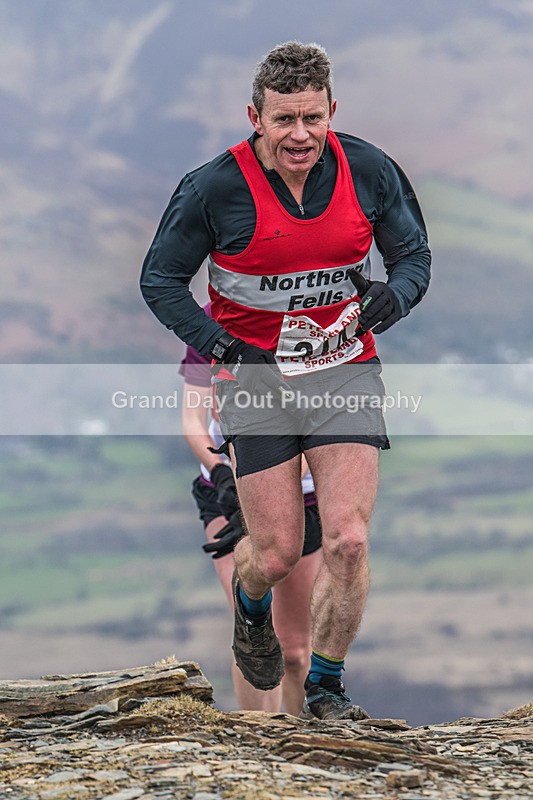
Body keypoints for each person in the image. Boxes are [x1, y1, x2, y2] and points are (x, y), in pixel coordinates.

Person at [141, 41, 431, 720]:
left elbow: (412, 253)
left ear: (330, 109)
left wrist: (397, 295)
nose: (299, 135)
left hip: (343, 369)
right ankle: (250, 615)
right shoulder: (214, 188)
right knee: (271, 555)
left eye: (311, 118)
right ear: (255, 117)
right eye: (282, 121)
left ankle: (327, 687)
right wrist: (217, 344)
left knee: (348, 539)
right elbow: (159, 281)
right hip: (258, 383)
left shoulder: (368, 171)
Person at [180, 304, 322, 716]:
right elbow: (193, 419)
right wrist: (224, 476)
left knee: (295, 650)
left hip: (303, 495)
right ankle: (256, 745)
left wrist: (266, 494)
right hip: (224, 492)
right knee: (254, 632)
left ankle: (300, 742)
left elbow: (321, 430)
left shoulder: (317, 318)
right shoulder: (210, 320)